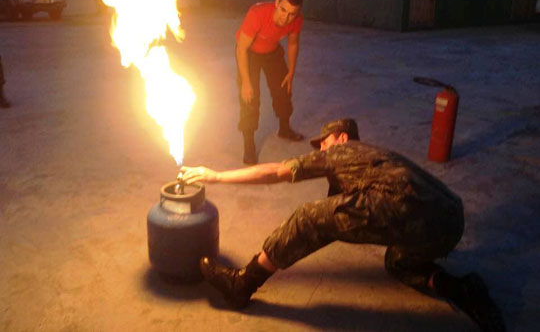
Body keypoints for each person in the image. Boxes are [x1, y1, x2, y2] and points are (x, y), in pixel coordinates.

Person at [179, 118, 505, 332]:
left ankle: (242, 285)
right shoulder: (373, 157)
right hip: (449, 221)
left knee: (309, 218)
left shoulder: (343, 151)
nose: (321, 149)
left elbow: (278, 172)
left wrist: (217, 176)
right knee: (398, 262)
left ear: (342, 137)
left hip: (404, 204)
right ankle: (462, 290)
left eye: (324, 142)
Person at [236, 0, 305, 165]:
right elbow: (241, 48)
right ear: (276, 3)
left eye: (292, 14)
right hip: (249, 52)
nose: (286, 18)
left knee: (283, 89)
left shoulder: (296, 20)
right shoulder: (257, 13)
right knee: (250, 97)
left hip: (272, 51)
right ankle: (249, 144)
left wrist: (291, 72)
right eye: (283, 10)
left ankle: (284, 128)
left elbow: (293, 44)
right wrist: (245, 81)